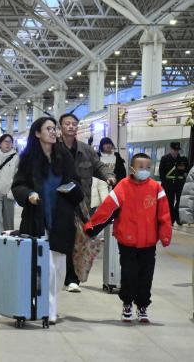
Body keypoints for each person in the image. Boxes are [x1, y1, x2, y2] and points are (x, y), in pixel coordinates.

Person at [11, 117, 84, 325]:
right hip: (37, 218)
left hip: (60, 218)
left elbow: (76, 184)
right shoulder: (28, 159)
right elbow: (18, 186)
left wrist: (71, 190)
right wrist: (29, 195)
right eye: (48, 129)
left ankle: (51, 305)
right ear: (37, 133)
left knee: (57, 267)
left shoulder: (64, 157)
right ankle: (41, 305)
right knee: (41, 266)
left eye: (55, 129)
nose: (53, 132)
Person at [83, 153, 172, 323]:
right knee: (129, 276)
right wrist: (91, 228)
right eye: (141, 167)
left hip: (148, 243)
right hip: (128, 243)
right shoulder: (123, 187)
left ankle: (143, 306)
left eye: (148, 168)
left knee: (146, 277)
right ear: (132, 169)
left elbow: (164, 215)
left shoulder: (156, 189)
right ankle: (127, 304)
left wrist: (165, 236)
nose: (145, 171)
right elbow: (106, 210)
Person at [58, 113, 115, 292]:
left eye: (74, 124)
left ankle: (73, 277)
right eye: (67, 124)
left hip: (82, 204)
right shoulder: (53, 149)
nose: (71, 126)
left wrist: (109, 177)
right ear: (61, 127)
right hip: (59, 203)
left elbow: (98, 166)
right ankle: (63, 275)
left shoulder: (85, 150)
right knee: (62, 239)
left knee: (79, 240)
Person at [91, 137, 127, 209]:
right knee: (101, 204)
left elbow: (122, 173)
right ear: (101, 146)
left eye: (110, 143)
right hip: (100, 184)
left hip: (114, 184)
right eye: (105, 144)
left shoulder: (117, 157)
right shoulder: (97, 157)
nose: (108, 145)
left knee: (113, 204)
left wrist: (118, 183)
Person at [159, 142, 189, 225]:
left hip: (180, 184)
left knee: (180, 201)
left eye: (177, 150)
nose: (176, 151)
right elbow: (161, 172)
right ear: (171, 149)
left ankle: (177, 217)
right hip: (169, 184)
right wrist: (164, 183)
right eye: (174, 150)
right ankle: (171, 219)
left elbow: (187, 170)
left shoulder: (183, 159)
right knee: (169, 202)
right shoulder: (165, 158)